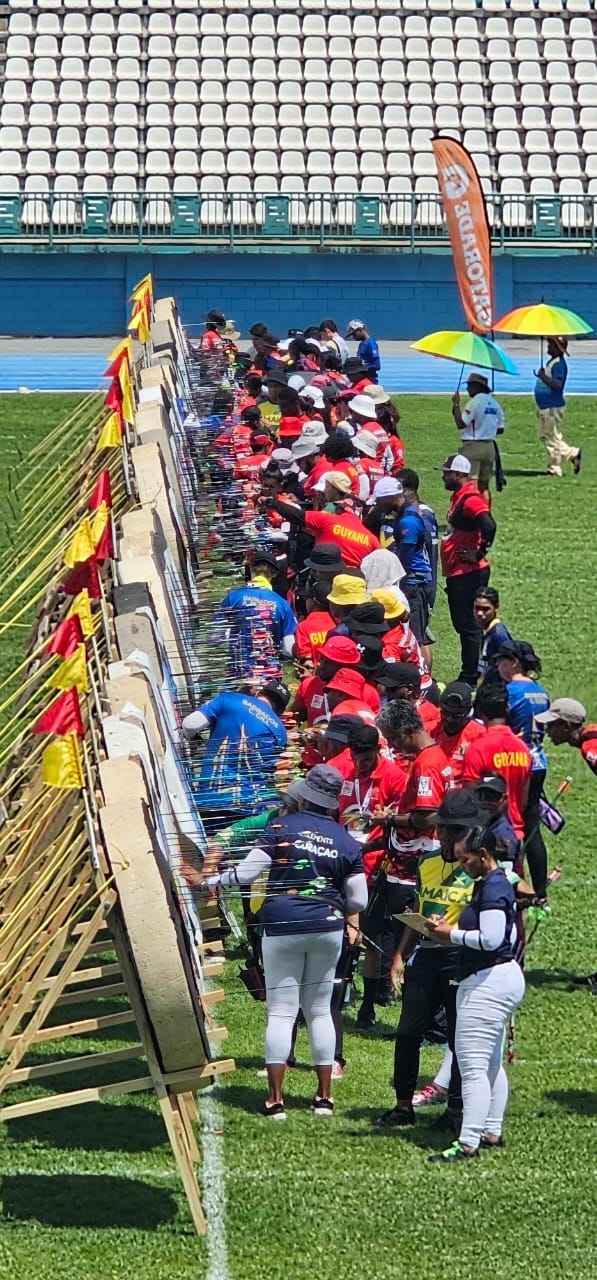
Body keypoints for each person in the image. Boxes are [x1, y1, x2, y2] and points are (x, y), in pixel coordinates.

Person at [200, 764, 368, 1118]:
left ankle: (275, 1100)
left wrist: (211, 880)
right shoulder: (345, 841)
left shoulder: (280, 827)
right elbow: (359, 901)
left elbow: (246, 873)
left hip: (281, 925)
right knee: (320, 1008)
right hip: (327, 926)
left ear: (305, 795)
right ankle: (324, 1097)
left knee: (281, 1010)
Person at [378, 785, 481, 1128]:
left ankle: (454, 1110)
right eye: (441, 828)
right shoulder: (427, 863)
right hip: (425, 957)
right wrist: (399, 955)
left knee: (458, 1037)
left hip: (460, 958)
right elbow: (418, 909)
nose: (443, 835)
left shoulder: (477, 868)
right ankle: (403, 1105)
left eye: (452, 829)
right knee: (408, 1032)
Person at [427, 826, 525, 1161]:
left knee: (472, 1068)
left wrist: (450, 934)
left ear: (483, 856)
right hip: (499, 978)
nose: (462, 865)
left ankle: (468, 1142)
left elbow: (492, 939)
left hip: (488, 981)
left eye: (465, 859)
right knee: (491, 1065)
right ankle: (492, 1131)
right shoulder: (490, 882)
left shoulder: (494, 886)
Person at [182, 680, 290, 833]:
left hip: (209, 797)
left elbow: (189, 725)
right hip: (245, 809)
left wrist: (194, 741)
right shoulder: (281, 733)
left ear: (259, 692)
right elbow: (269, 774)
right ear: (280, 711)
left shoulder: (229, 699)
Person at [494, 640, 551, 898]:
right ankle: (539, 889)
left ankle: (512, 881)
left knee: (509, 821)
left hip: (516, 763)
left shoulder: (510, 691)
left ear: (514, 662)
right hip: (540, 761)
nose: (497, 666)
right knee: (532, 826)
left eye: (501, 661)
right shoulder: (541, 692)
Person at [437, 453, 497, 686]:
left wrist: (480, 552)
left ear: (458, 474)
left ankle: (470, 675)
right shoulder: (458, 496)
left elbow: (489, 524)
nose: (443, 477)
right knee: (463, 625)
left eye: (446, 473)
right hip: (458, 572)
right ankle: (471, 671)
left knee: (469, 627)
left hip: (468, 573)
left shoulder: (470, 499)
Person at [462, 683, 532, 841]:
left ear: (479, 712)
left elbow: (469, 800)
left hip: (485, 836)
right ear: (507, 710)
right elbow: (523, 802)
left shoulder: (477, 749)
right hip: (515, 834)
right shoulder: (523, 748)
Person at [216, 553, 297, 679]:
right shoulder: (283, 605)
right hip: (269, 675)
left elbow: (217, 635)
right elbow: (288, 648)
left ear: (250, 569)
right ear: (274, 574)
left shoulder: (233, 597)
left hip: (239, 671)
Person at [272, 481, 380, 569]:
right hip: (356, 585)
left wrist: (273, 503)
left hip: (326, 576)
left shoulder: (328, 519)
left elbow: (297, 516)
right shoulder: (372, 539)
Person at [451, 373, 505, 504]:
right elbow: (500, 429)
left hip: (473, 446)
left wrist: (456, 405)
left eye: (469, 386)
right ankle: (485, 515)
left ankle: (471, 518)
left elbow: (461, 423)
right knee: (484, 486)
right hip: (490, 446)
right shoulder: (494, 403)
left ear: (476, 387)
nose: (467, 389)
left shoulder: (475, 402)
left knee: (470, 485)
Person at [533, 336, 581, 478]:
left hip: (552, 406)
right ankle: (571, 455)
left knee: (551, 437)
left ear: (558, 348)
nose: (548, 347)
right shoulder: (552, 362)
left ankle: (556, 466)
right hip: (546, 405)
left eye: (551, 345)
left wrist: (543, 377)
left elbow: (557, 384)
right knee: (546, 436)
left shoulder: (559, 364)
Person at [392, 486, 433, 648]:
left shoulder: (408, 521)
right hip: (416, 582)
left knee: (415, 638)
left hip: (413, 583)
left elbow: (405, 559)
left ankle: (421, 673)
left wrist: (398, 580)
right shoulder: (410, 517)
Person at [435, 682, 486, 782]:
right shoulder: (432, 729)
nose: (449, 719)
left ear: (468, 711)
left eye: (457, 715)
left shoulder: (479, 735)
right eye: (446, 712)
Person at [535, 697, 597, 777]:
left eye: (550, 725)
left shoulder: (589, 747)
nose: (546, 730)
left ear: (565, 726)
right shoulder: (591, 732)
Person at [375, 662, 441, 736]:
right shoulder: (387, 703)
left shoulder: (429, 715)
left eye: (392, 689)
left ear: (410, 689)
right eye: (386, 687)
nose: (387, 692)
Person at [473, 774, 521, 866]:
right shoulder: (482, 825)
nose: (485, 802)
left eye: (491, 797)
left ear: (504, 799)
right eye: (481, 796)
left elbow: (506, 875)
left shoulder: (503, 834)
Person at [293, 580, 335, 667]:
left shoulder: (304, 627)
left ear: (313, 602)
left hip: (316, 677)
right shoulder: (338, 624)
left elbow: (307, 662)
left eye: (306, 598)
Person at [474, 586, 512, 680]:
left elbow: (510, 665)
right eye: (477, 608)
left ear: (496, 607)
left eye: (485, 609)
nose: (479, 613)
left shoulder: (499, 634)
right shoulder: (486, 630)